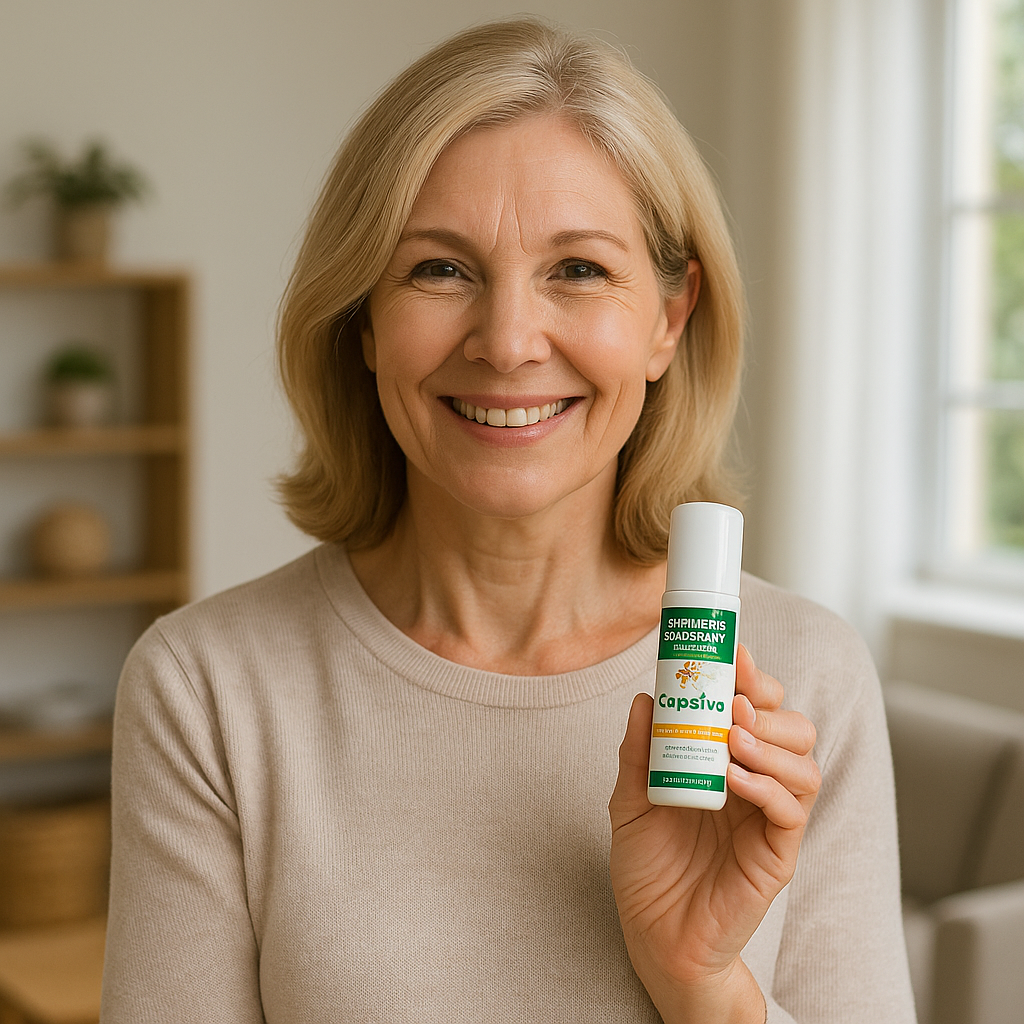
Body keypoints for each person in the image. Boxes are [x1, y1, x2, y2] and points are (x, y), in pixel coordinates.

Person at [100, 18, 917, 1024]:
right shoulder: (207, 691)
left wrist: (703, 982)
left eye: (578, 269)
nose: (508, 341)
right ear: (363, 319)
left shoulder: (805, 678)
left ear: (668, 319)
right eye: (439, 269)